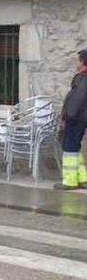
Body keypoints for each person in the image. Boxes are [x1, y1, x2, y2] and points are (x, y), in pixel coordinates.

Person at [56, 49, 87, 190]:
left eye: (78, 60)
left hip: (75, 119)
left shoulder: (82, 78)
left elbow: (78, 99)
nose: (76, 62)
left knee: (69, 148)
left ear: (83, 63)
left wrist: (69, 115)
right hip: (81, 119)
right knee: (75, 148)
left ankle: (69, 181)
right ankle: (82, 178)